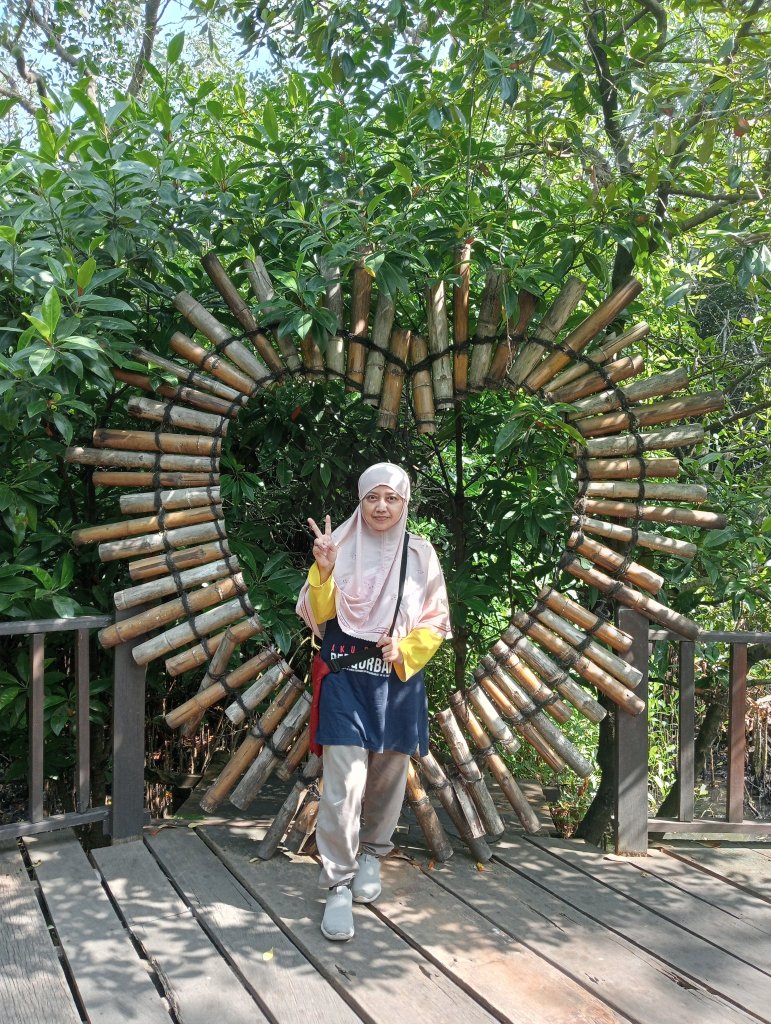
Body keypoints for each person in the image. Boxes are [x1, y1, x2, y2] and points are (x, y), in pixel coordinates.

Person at [296, 462, 451, 941]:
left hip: (397, 679)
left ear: (405, 503)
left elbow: (437, 619)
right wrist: (324, 571)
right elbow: (319, 616)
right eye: (372, 498)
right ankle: (338, 883)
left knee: (387, 779)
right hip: (345, 676)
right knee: (343, 785)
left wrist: (405, 648)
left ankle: (371, 853)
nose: (381, 507)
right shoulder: (337, 545)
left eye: (392, 498)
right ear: (360, 501)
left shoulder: (421, 554)